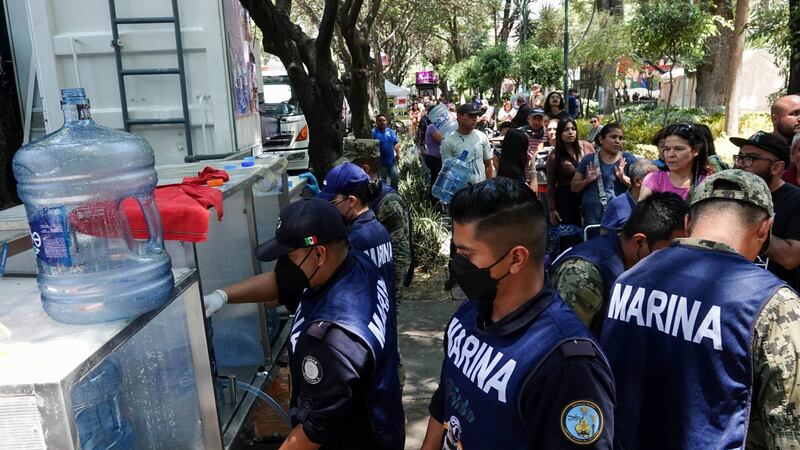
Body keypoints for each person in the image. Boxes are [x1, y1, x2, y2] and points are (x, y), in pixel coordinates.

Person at [600, 170, 800, 450]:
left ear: (688, 221)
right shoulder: (774, 304)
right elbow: (789, 432)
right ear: (766, 228)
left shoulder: (632, 277)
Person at [420, 178, 615, 450]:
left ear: (516, 259)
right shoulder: (468, 315)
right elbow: (445, 402)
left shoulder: (567, 367)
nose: (457, 263)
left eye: (466, 254)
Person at [213, 199, 405, 449]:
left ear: (319, 253)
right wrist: (222, 296)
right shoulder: (357, 264)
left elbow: (313, 432)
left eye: (290, 256)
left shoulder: (330, 337)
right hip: (384, 419)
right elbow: (281, 283)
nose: (283, 265)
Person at [550, 192, 688, 335]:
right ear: (639, 242)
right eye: (669, 252)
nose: (676, 259)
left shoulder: (633, 264)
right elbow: (567, 342)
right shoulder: (584, 274)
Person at [340, 139, 415, 293]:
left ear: (364, 169)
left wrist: (390, 297)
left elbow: (401, 257)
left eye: (349, 166)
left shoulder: (389, 203)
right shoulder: (360, 195)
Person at [732, 131, 800, 292]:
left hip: (775, 299)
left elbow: (790, 258)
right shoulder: (731, 194)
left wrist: (746, 226)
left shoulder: (796, 200)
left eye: (751, 158)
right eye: (740, 156)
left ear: (777, 167)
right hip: (733, 289)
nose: (740, 164)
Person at [572, 123, 637, 226]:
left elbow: (640, 189)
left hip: (620, 221)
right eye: (613, 137)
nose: (617, 141)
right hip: (592, 221)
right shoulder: (588, 160)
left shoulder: (627, 159)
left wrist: (623, 178)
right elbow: (574, 187)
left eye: (620, 138)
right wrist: (587, 180)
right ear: (601, 139)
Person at [639, 123, 709, 201]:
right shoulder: (654, 180)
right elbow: (641, 211)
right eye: (667, 149)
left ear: (696, 150)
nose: (671, 155)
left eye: (678, 149)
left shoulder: (707, 183)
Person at [545, 117, 584, 256]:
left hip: (582, 199)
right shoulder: (555, 156)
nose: (570, 132)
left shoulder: (583, 150)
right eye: (566, 129)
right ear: (560, 133)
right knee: (566, 239)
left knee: (582, 236)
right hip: (564, 200)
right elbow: (550, 185)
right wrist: (552, 209)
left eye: (573, 129)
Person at [439, 103, 495, 185]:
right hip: (461, 193)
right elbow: (447, 172)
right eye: (471, 116)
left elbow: (488, 165)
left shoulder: (482, 137)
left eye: (476, 116)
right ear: (460, 117)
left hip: (480, 191)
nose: (475, 119)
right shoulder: (448, 142)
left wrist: (489, 186)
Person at [599, 158, 658, 234]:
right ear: (637, 181)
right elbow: (605, 237)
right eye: (655, 179)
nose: (660, 183)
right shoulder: (617, 205)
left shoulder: (660, 202)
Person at [518, 108, 548, 187]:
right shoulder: (521, 133)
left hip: (541, 175)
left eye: (540, 119)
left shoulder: (548, 134)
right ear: (528, 119)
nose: (536, 122)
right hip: (523, 174)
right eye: (534, 118)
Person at [372, 114, 400, 189]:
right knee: (382, 182)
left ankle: (394, 195)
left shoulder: (390, 131)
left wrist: (397, 154)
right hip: (380, 163)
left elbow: (396, 143)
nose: (382, 122)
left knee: (395, 179)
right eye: (380, 120)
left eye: (384, 120)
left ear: (386, 122)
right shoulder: (374, 133)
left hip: (392, 161)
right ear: (376, 122)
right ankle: (384, 197)